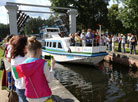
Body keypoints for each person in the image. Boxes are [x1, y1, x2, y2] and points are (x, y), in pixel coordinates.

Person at [12, 36, 55, 102]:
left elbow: (23, 83)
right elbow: (49, 79)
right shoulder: (43, 63)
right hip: (43, 96)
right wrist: (52, 67)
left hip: (30, 97)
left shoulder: (22, 65)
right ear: (38, 50)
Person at [10, 35, 28, 102]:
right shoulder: (23, 60)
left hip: (19, 86)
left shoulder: (14, 57)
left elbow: (18, 75)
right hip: (24, 88)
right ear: (23, 46)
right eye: (27, 44)